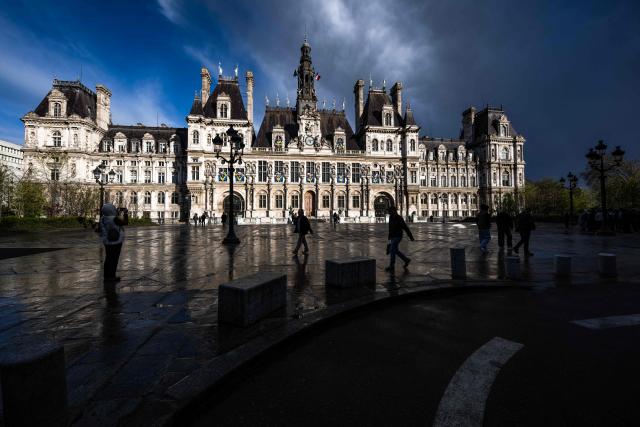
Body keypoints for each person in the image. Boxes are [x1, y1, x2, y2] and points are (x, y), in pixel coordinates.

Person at [100, 203, 127, 282]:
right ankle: (112, 276)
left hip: (106, 241)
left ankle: (106, 276)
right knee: (114, 259)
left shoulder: (103, 218)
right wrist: (125, 213)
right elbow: (125, 222)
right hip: (116, 241)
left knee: (108, 258)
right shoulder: (114, 219)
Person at [385, 206, 415, 272]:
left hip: (398, 236)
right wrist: (389, 239)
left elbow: (405, 227)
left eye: (390, 211)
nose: (389, 212)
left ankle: (391, 266)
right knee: (395, 250)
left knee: (392, 250)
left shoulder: (399, 218)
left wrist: (410, 236)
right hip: (392, 236)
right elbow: (390, 228)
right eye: (388, 211)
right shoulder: (391, 217)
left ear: (394, 211)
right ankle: (406, 260)